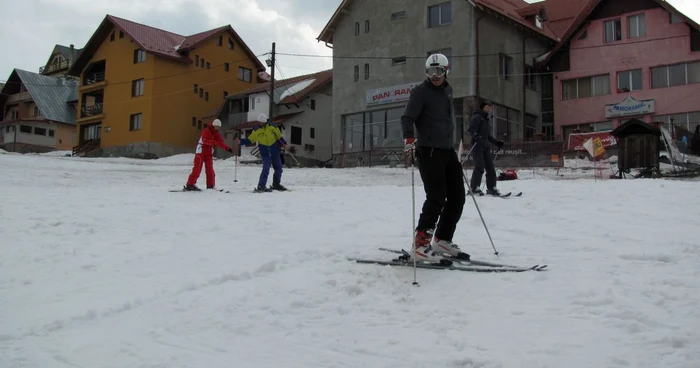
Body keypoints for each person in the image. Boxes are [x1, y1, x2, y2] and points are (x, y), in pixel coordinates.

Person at [401, 53, 469, 263]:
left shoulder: (448, 90)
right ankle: (420, 245)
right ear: (426, 72)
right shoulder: (420, 92)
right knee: (437, 197)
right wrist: (409, 139)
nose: (435, 75)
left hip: (447, 150)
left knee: (458, 196)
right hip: (429, 151)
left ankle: (442, 239)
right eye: (431, 72)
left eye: (439, 71)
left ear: (446, 71)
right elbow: (407, 117)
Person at [237, 113, 288, 191]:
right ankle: (261, 186)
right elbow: (250, 140)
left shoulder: (273, 127)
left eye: (262, 122)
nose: (260, 123)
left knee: (279, 169)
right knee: (265, 169)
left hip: (275, 151)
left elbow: (279, 137)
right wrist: (241, 141)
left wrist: (284, 143)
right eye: (259, 122)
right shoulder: (257, 130)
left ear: (265, 121)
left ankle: (276, 184)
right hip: (265, 153)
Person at [184, 118, 233, 191]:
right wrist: (214, 142)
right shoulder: (206, 131)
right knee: (197, 168)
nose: (218, 129)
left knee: (210, 169)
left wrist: (228, 149)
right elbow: (204, 140)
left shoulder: (216, 133)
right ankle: (190, 184)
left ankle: (210, 185)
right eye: (217, 127)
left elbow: (220, 143)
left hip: (208, 151)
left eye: (219, 127)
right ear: (214, 125)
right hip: (201, 150)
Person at [467, 100, 504, 196]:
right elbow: (471, 129)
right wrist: (476, 135)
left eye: (490, 107)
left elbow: (488, 137)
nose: (489, 109)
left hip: (485, 146)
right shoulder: (477, 117)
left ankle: (492, 187)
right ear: (482, 108)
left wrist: (497, 143)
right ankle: (474, 188)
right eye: (487, 107)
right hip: (477, 145)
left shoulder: (487, 120)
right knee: (479, 166)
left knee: (490, 168)